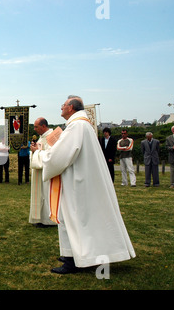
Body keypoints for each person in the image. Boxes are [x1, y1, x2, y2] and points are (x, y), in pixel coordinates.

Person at [40, 95, 135, 274]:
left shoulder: (76, 126)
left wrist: (42, 155)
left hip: (77, 184)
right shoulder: (83, 125)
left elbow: (59, 158)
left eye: (64, 105)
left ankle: (73, 260)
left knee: (73, 220)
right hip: (81, 180)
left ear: (71, 108)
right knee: (77, 220)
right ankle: (74, 255)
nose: (61, 107)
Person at [29, 117, 57, 227]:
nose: (35, 129)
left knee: (47, 195)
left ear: (44, 126)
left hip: (49, 173)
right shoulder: (42, 138)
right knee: (40, 195)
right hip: (40, 173)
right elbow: (42, 151)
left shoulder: (53, 136)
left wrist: (36, 152)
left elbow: (53, 156)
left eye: (36, 127)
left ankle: (48, 220)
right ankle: (39, 218)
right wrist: (34, 151)